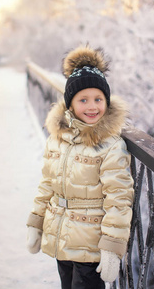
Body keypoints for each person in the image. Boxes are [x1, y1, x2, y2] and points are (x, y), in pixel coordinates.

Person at [26, 45, 134, 289]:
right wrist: (36, 221)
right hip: (61, 239)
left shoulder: (110, 145)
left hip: (91, 246)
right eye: (83, 100)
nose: (92, 106)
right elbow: (47, 183)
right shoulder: (58, 139)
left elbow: (118, 198)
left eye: (98, 99)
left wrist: (112, 247)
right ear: (70, 105)